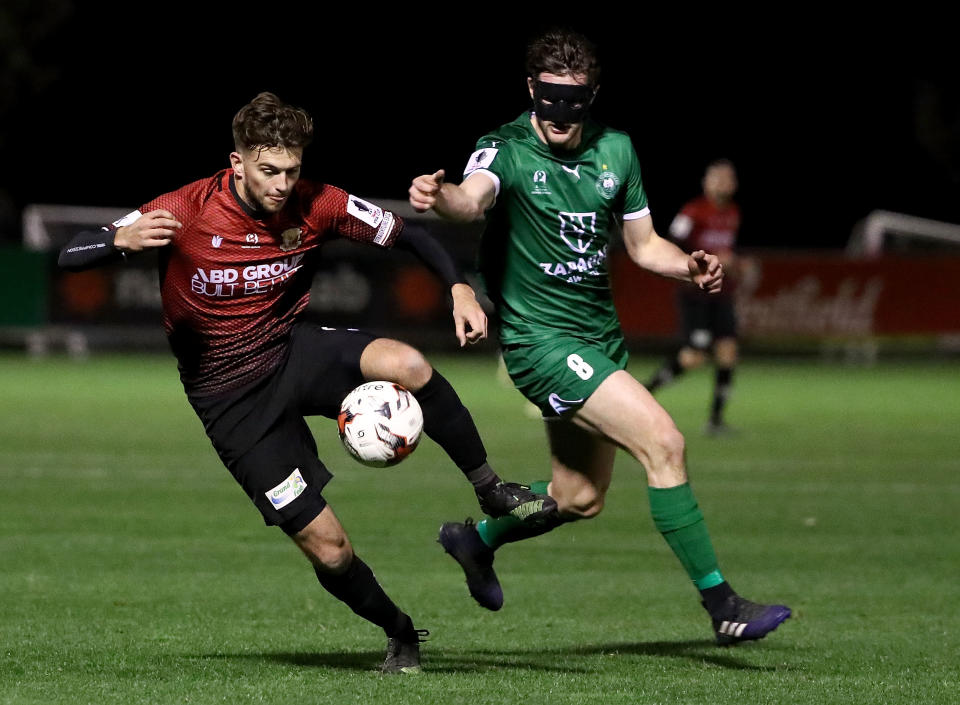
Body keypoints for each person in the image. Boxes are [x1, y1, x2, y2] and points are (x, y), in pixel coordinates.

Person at [58, 92, 553, 674]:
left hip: (292, 349)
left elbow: (412, 237)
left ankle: (490, 487)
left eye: (292, 170)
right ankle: (399, 632)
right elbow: (71, 253)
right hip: (230, 401)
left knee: (410, 365)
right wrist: (119, 241)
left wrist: (459, 288)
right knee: (329, 547)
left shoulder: (319, 202)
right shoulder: (186, 208)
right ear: (236, 162)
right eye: (268, 171)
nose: (282, 184)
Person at [409, 29, 790, 646]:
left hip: (598, 341)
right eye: (550, 98)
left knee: (579, 497)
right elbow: (471, 200)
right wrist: (439, 195)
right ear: (532, 90)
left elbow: (644, 246)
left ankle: (474, 541)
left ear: (591, 96)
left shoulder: (618, 151)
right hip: (540, 345)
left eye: (574, 100)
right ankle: (722, 605)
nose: (561, 114)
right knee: (664, 443)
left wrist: (687, 265)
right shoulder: (503, 149)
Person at [646, 159, 742, 435]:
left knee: (728, 352)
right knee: (694, 357)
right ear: (707, 182)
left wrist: (734, 263)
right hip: (695, 294)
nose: (725, 183)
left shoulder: (733, 212)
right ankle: (645, 391)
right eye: (719, 178)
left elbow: (726, 251)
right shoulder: (694, 211)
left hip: (722, 294)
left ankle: (715, 420)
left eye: (729, 178)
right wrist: (695, 263)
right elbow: (673, 241)